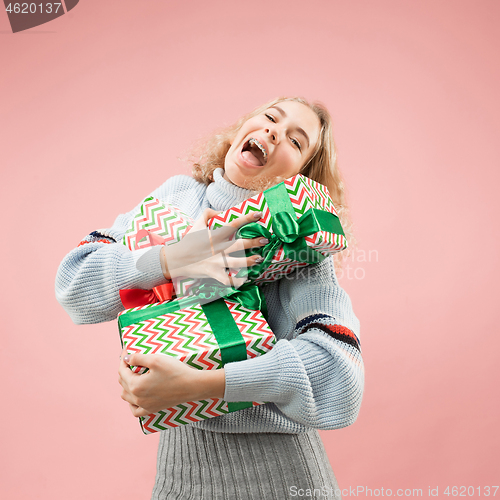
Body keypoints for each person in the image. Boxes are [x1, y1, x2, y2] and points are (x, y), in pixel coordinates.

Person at [56, 96, 364, 500]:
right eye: (271, 117)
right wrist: (172, 258)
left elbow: (341, 380)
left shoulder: (300, 247)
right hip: (178, 479)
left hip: (285, 482)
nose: (274, 131)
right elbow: (75, 287)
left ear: (301, 175)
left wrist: (203, 385)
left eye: (296, 140)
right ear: (243, 127)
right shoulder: (176, 198)